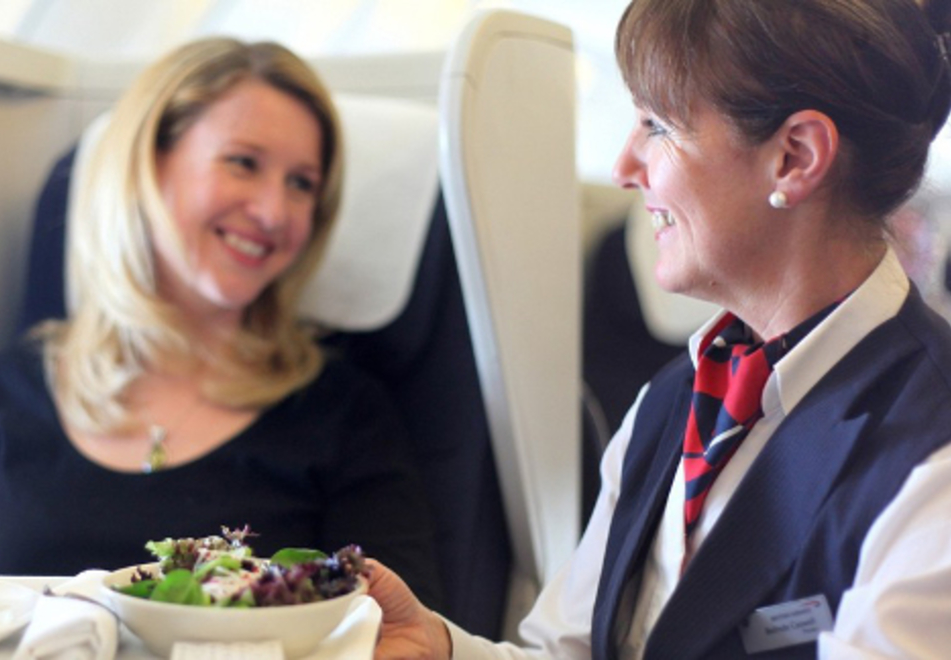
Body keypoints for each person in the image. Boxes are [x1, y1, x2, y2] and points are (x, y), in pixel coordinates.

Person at [368, 0, 951, 657]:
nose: (624, 166)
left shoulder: (932, 453)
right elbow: (575, 650)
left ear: (795, 156)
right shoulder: (675, 400)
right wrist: (442, 649)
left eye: (657, 126)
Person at [0, 37, 442, 607]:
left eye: (302, 183)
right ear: (148, 164)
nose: (274, 212)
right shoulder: (13, 388)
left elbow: (400, 634)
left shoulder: (344, 417)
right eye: (244, 163)